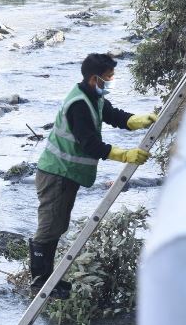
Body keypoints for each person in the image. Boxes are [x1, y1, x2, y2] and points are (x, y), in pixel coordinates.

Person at [30, 53, 158, 297]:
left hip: (67, 173)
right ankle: (40, 283)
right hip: (56, 173)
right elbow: (89, 144)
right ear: (94, 78)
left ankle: (51, 281)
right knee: (49, 228)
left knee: (58, 226)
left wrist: (136, 120)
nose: (110, 81)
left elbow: (112, 115)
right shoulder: (79, 104)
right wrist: (125, 155)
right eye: (108, 77)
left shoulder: (93, 97)